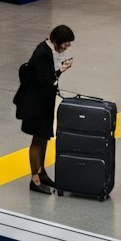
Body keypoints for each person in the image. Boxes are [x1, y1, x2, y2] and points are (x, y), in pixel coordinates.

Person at [14, 24, 75, 195]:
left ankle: (41, 173)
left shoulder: (47, 50)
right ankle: (35, 179)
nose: (68, 46)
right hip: (36, 105)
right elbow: (46, 81)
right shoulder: (42, 54)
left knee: (44, 138)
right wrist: (60, 70)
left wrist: (59, 70)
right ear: (57, 40)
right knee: (38, 140)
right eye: (66, 43)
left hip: (43, 103)